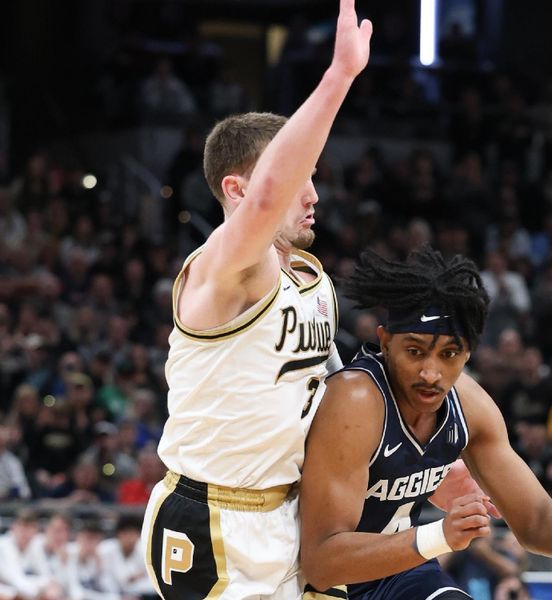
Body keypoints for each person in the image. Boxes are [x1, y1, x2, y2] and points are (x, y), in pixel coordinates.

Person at [140, 1, 373, 598]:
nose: (313, 194)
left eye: (316, 176)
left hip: (292, 512)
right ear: (236, 190)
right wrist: (338, 76)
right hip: (211, 518)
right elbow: (270, 194)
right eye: (302, 177)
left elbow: (336, 398)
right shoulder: (225, 267)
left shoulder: (312, 281)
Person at [300, 247, 552, 600]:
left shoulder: (468, 405)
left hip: (400, 571)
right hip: (329, 582)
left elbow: (535, 521)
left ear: (468, 352)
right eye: (415, 351)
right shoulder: (356, 401)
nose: (431, 373)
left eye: (449, 353)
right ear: (384, 341)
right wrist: (439, 534)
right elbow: (321, 560)